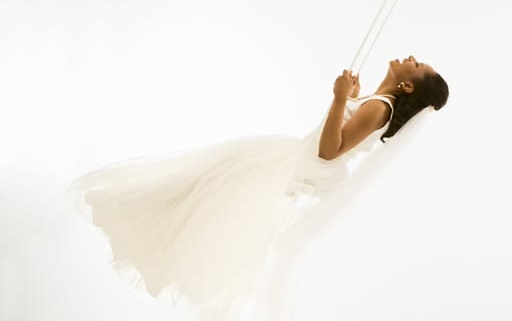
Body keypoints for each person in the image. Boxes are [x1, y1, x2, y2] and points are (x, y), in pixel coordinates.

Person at [67, 55, 449, 321]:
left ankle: (143, 226)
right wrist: (348, 100)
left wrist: (337, 101)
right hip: (291, 159)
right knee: (205, 193)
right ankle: (146, 228)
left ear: (406, 86)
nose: (411, 57)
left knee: (206, 190)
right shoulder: (373, 103)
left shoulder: (380, 107)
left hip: (294, 163)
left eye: (418, 65)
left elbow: (329, 151)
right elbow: (338, 139)